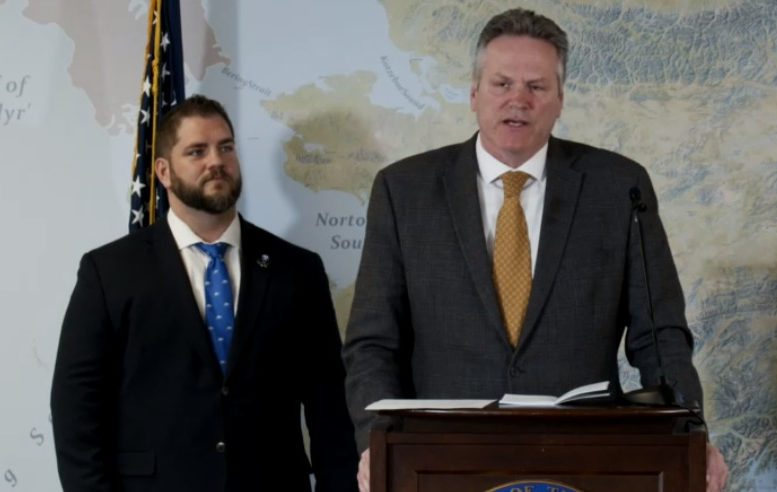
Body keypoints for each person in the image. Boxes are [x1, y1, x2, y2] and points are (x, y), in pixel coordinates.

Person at [342, 8, 728, 492]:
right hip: (441, 461)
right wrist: (373, 443)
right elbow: (372, 344)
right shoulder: (405, 190)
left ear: (560, 99)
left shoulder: (619, 187)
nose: (518, 100)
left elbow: (660, 335)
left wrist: (692, 435)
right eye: (502, 84)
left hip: (585, 461)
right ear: (474, 93)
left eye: (536, 87)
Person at [51, 95, 358, 492]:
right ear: (163, 171)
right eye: (196, 151)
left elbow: (329, 405)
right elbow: (76, 410)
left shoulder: (297, 270)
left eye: (225, 147)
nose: (216, 161)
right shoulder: (109, 273)